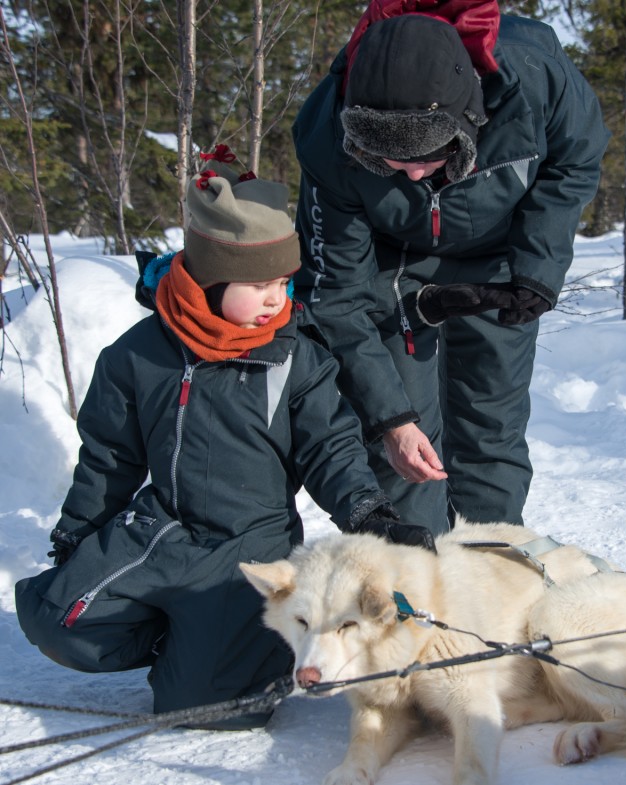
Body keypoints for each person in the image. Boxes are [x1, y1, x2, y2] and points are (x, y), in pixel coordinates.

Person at [14, 148, 433, 730]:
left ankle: (217, 655)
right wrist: (76, 534)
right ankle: (182, 636)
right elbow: (109, 459)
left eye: (284, 282)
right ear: (208, 279)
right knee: (52, 619)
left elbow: (328, 449)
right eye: (258, 284)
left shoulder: (295, 358)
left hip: (246, 550)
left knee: (211, 712)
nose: (275, 299)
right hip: (160, 531)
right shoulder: (136, 356)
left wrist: (372, 514)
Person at [292, 0, 610, 534]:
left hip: (499, 262)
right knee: (403, 444)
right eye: (389, 165)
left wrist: (537, 264)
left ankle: (493, 568)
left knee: (491, 424)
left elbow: (575, 160)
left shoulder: (533, 77)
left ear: (467, 121)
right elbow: (336, 294)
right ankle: (414, 577)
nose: (413, 176)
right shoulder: (327, 136)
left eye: (428, 156)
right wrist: (390, 418)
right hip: (391, 266)